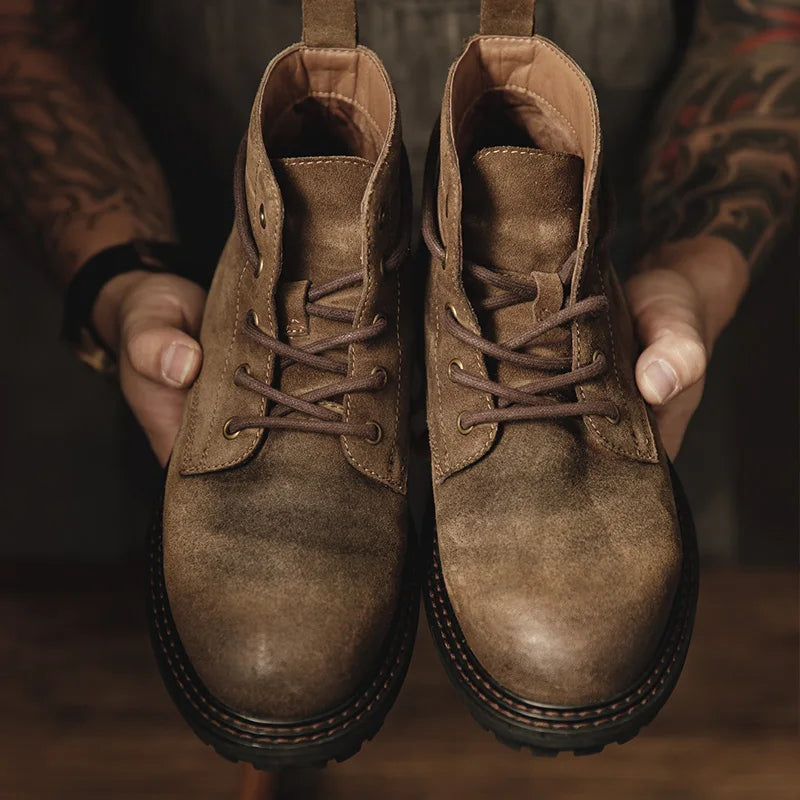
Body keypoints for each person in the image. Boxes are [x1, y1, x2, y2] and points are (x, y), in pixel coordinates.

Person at [0, 0, 798, 791]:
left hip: (626, 331)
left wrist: (697, 273)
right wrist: (120, 278)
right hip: (234, 343)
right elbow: (24, 34)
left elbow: (769, 25)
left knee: (616, 669)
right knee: (267, 667)